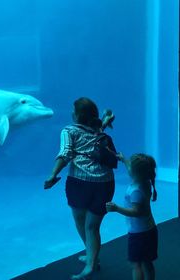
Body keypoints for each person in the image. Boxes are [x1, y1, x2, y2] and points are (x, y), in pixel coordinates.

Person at [44, 97, 118, 279]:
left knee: (81, 221)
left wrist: (53, 174)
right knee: (92, 227)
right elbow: (96, 133)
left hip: (80, 183)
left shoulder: (68, 130)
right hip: (105, 183)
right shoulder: (97, 129)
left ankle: (91, 264)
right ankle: (92, 258)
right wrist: (106, 120)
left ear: (75, 115)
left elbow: (66, 153)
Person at [106, 153, 158, 280]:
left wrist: (116, 208)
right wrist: (124, 159)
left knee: (136, 264)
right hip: (149, 230)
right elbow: (132, 168)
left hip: (139, 234)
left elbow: (136, 212)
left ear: (135, 172)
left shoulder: (136, 191)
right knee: (147, 263)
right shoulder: (145, 181)